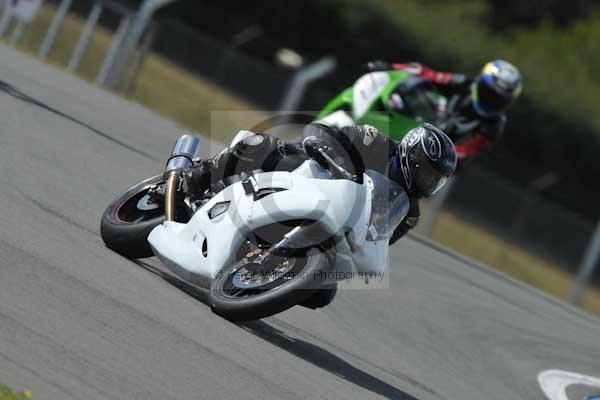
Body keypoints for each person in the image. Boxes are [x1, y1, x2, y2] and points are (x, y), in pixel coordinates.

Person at [187, 122, 457, 245]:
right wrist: (329, 150)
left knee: (322, 294)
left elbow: (378, 244)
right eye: (429, 174)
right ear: (414, 156)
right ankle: (200, 176)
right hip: (309, 177)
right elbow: (322, 130)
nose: (429, 183)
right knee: (267, 146)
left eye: (436, 181)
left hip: (331, 221)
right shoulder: (374, 142)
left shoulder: (409, 213)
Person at [367, 59, 522, 166]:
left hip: (436, 162)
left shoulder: (494, 125)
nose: (491, 100)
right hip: (418, 127)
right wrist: (391, 67)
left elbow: (465, 151)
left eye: (499, 99)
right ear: (479, 82)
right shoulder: (464, 83)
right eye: (489, 93)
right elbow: (428, 73)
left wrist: (436, 150)